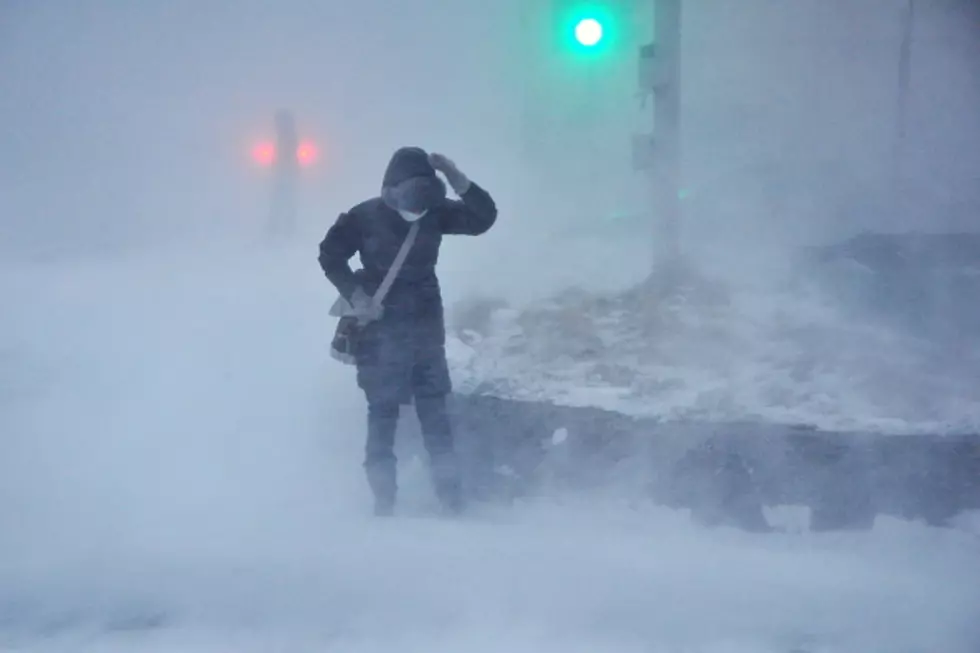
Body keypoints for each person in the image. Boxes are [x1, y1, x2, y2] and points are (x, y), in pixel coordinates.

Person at [317, 146, 498, 516]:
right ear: (390, 191)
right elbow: (330, 254)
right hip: (378, 332)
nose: (415, 211)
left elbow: (483, 218)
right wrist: (356, 294)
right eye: (409, 202)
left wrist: (456, 177)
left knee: (436, 418)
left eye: (423, 204)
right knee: (382, 416)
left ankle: (451, 501)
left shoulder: (434, 214)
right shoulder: (363, 217)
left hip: (426, 331)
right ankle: (384, 503)